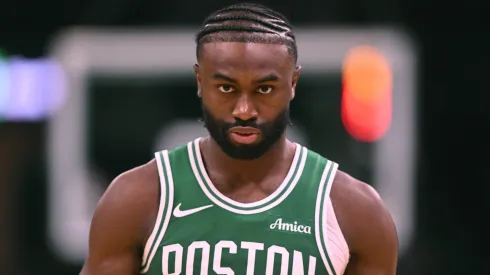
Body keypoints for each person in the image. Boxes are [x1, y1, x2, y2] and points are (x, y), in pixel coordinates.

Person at [80, 3, 398, 275]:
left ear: (293, 83)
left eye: (264, 89)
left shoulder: (354, 211)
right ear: (200, 81)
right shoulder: (138, 198)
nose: (244, 110)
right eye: (227, 88)